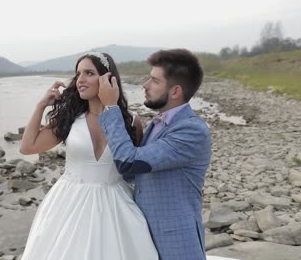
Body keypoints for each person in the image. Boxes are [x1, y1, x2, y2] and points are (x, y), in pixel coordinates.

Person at [19, 52, 160, 259]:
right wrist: (41, 106)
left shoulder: (131, 122)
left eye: (89, 73)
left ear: (107, 79)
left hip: (116, 205)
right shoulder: (68, 119)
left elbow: (133, 166)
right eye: (78, 74)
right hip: (69, 203)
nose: (80, 80)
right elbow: (28, 147)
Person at [97, 49, 230, 260]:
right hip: (143, 236)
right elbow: (137, 177)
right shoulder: (158, 123)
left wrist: (111, 106)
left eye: (154, 80)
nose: (145, 85)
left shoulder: (192, 130)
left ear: (175, 91)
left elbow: (129, 163)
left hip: (175, 241)